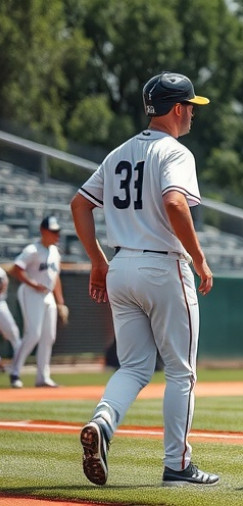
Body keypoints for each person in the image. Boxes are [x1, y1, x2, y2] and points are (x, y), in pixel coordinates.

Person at [69, 71, 218, 487]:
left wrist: (98, 262)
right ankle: (178, 466)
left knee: (134, 367)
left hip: (120, 267)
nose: (192, 113)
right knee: (181, 371)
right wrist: (199, 257)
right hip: (162, 267)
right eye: (190, 106)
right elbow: (174, 202)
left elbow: (79, 205)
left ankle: (102, 422)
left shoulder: (117, 153)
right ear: (176, 109)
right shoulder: (175, 152)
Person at [8, 216, 66, 388]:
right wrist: (33, 284)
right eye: (53, 231)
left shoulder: (55, 252)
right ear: (43, 231)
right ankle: (15, 372)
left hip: (48, 295)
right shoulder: (32, 249)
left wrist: (60, 301)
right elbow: (16, 270)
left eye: (58, 231)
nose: (56, 234)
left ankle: (42, 377)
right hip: (30, 293)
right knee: (33, 334)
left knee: (49, 337)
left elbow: (55, 277)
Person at [0, 266, 23, 372]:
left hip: (1, 304)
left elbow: (2, 286)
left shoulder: (1, 272)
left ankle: (16, 366)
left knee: (14, 333)